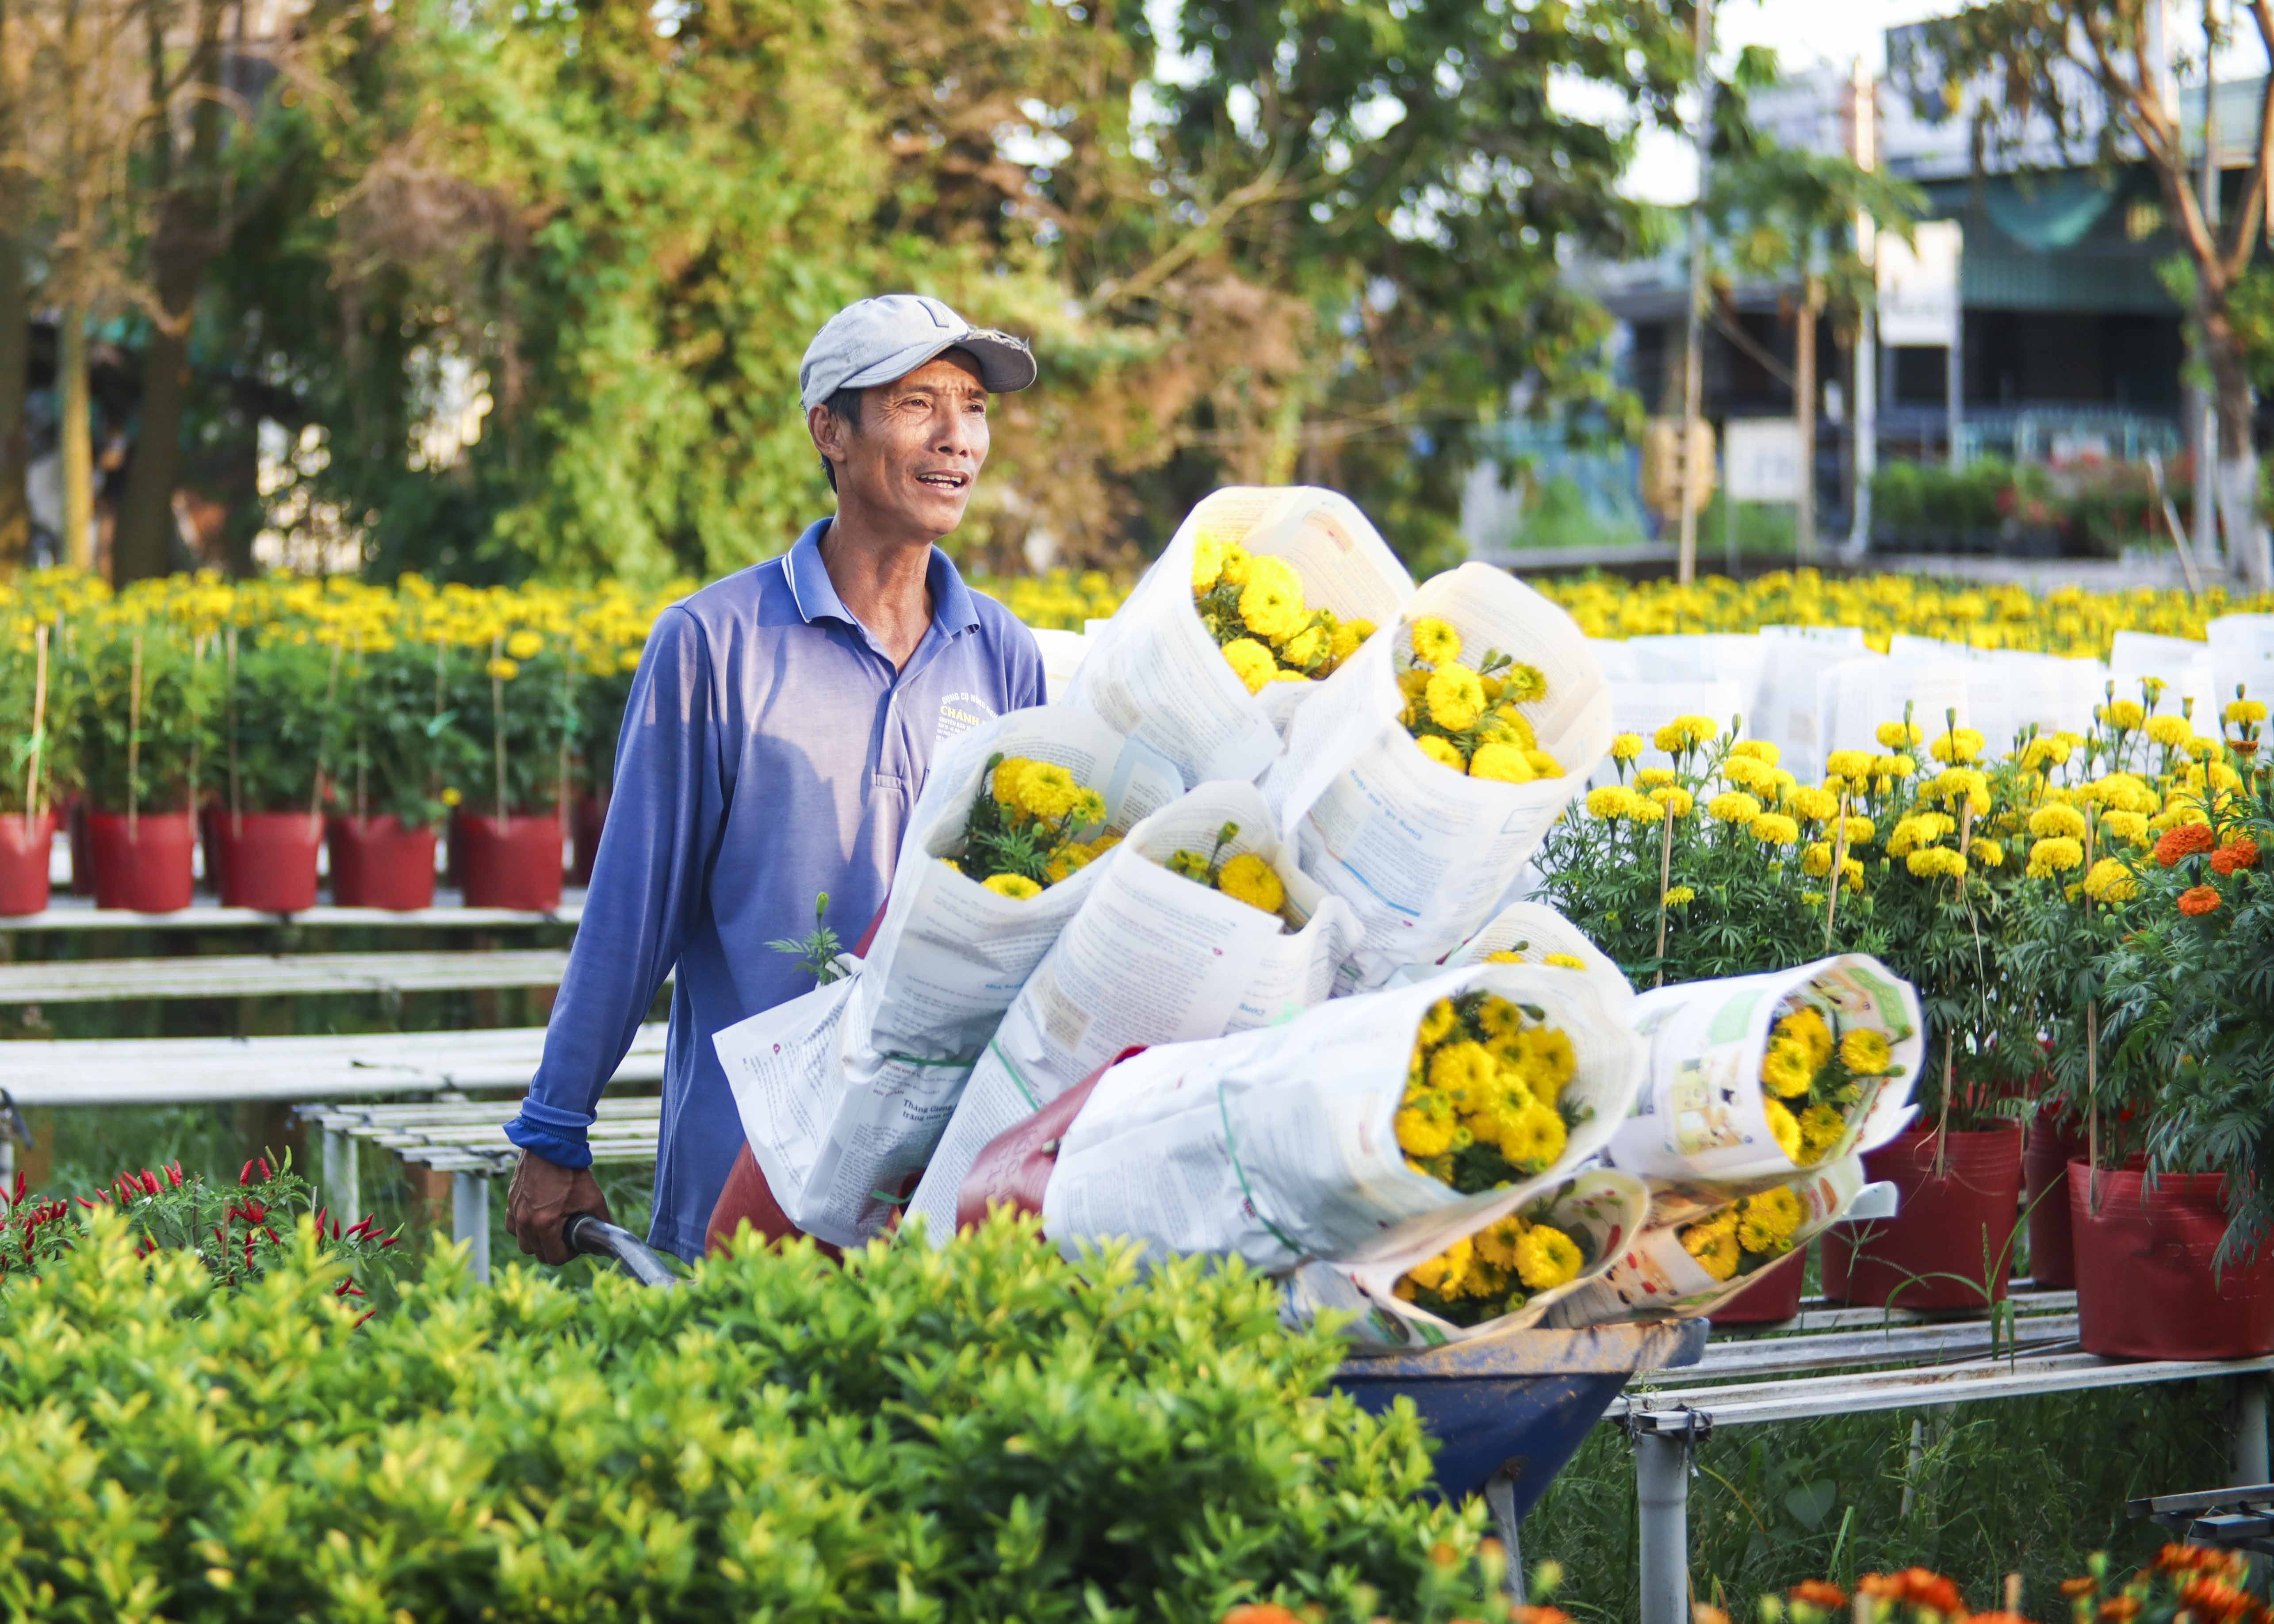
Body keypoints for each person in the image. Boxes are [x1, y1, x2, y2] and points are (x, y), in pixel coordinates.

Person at [502, 294, 1045, 1264]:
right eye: (919, 403)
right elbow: (633, 914)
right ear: (829, 430)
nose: (961, 438)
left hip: (936, 1182)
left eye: (974, 405)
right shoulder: (715, 643)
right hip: (743, 1177)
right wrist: (555, 1127)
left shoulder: (1000, 650)